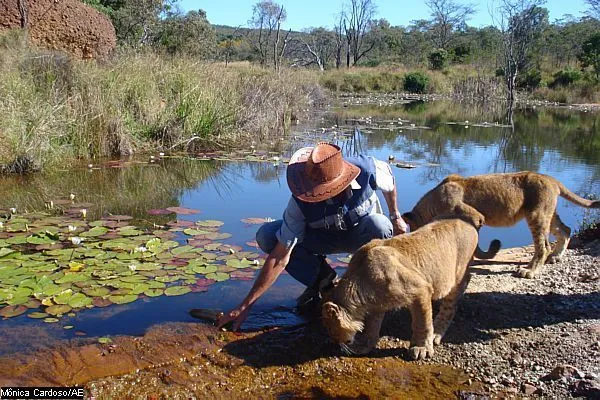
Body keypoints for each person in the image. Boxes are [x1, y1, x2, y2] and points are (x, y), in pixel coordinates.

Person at [216, 141, 408, 331]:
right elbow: (279, 257)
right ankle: (323, 279)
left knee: (381, 225)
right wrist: (245, 305)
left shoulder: (368, 169)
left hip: (361, 236)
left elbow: (390, 182)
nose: (317, 194)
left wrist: (395, 215)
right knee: (267, 236)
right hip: (320, 239)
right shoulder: (299, 203)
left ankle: (371, 291)